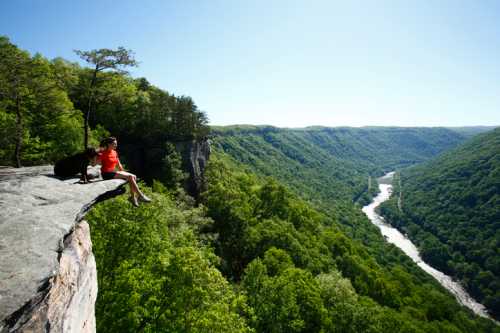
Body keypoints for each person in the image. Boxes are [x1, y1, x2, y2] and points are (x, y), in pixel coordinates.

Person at [98, 137, 151, 207]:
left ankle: (133, 197)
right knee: (130, 177)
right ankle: (140, 195)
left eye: (116, 144)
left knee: (133, 176)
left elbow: (118, 164)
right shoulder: (103, 153)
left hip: (113, 172)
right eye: (114, 144)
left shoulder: (114, 152)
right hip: (106, 174)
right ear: (109, 144)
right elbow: (96, 162)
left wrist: (123, 172)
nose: (116, 145)